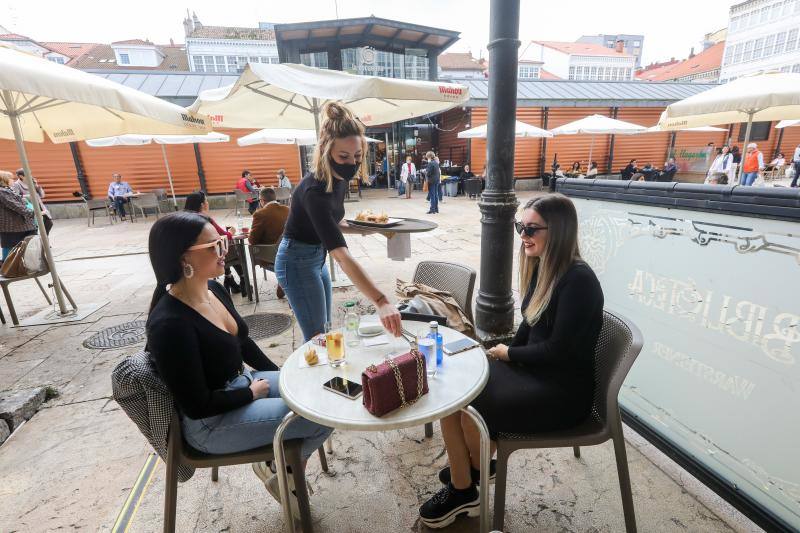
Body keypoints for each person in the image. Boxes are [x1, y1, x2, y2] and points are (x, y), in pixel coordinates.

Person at [418, 194, 603, 529]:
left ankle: (465, 487)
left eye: (531, 228)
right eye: (521, 226)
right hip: (535, 373)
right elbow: (530, 328)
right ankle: (471, 472)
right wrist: (502, 353)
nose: (523, 235)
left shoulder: (579, 281)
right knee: (455, 388)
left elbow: (557, 351)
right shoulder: (545, 267)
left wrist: (507, 354)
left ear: (559, 231)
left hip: (562, 394)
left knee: (465, 402)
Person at [145, 212, 332, 514]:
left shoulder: (213, 289)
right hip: (211, 423)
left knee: (324, 391)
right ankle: (285, 471)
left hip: (241, 385)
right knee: (320, 414)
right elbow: (196, 405)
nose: (225, 251)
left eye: (223, 242)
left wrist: (286, 376)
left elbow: (244, 344)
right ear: (183, 259)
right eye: (214, 246)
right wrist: (251, 394)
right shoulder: (169, 325)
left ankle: (279, 466)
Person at [274, 102, 402, 341]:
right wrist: (381, 300)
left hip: (316, 257)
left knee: (324, 326)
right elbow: (342, 257)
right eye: (343, 156)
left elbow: (335, 224)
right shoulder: (314, 192)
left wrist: (372, 229)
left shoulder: (339, 180)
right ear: (325, 150)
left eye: (357, 156)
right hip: (295, 260)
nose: (351, 164)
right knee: (317, 336)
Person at [184, 191, 244, 295]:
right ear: (202, 205)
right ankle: (243, 278)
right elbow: (224, 235)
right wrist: (231, 231)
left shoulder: (184, 219)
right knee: (231, 246)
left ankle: (229, 278)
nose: (208, 203)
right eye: (206, 201)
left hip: (191, 256)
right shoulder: (204, 219)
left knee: (223, 246)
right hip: (208, 255)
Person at [249, 187, 289, 299]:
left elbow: (252, 240)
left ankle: (283, 276)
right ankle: (284, 276)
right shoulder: (288, 209)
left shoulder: (260, 214)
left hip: (270, 255)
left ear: (261, 201)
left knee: (251, 248)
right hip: (288, 250)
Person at [13, 169, 52, 234]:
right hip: (30, 207)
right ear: (21, 176)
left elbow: (42, 195)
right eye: (28, 174)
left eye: (30, 174)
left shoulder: (31, 182)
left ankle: (45, 241)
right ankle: (42, 242)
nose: (30, 176)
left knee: (49, 223)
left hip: (40, 206)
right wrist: (30, 196)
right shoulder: (16, 185)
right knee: (35, 228)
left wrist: (36, 185)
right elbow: (16, 197)